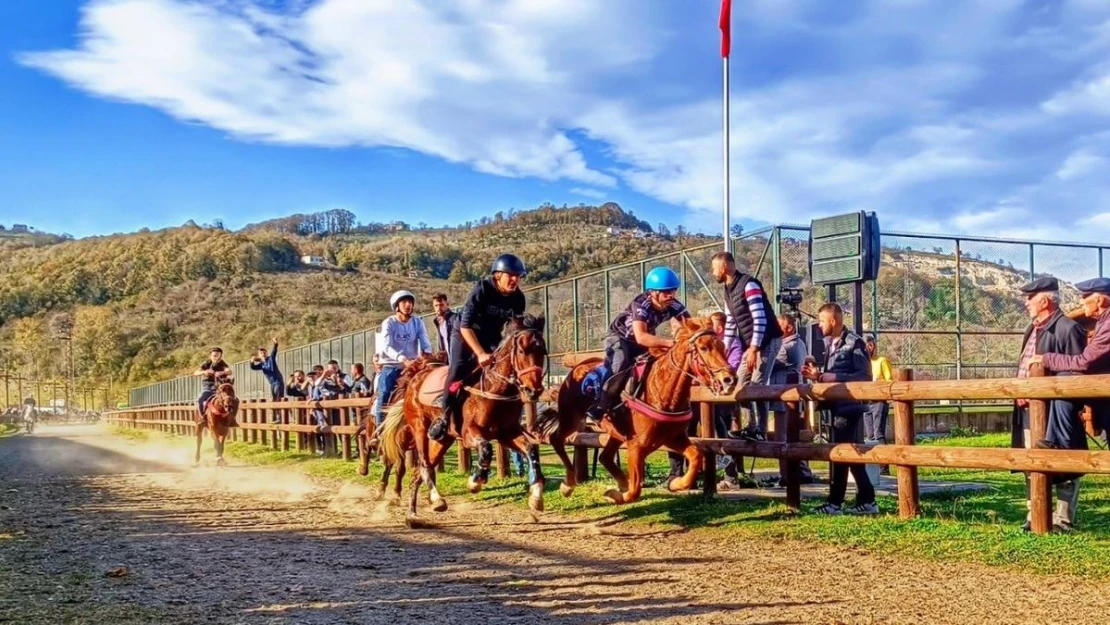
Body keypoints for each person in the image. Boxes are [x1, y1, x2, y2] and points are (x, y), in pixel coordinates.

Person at [1028, 277, 1105, 532]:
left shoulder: (1072, 328)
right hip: (1039, 406)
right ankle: (1037, 516)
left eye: (1086, 297)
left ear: (1101, 299)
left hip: (1065, 407)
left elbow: (1082, 363)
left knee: (1065, 381)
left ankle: (1063, 518)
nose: (1082, 302)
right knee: (1033, 460)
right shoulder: (1034, 328)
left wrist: (1047, 360)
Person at [429, 254, 527, 441]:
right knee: (457, 369)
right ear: (498, 275)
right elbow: (466, 326)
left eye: (518, 276)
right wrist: (480, 353)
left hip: (492, 336)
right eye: (511, 275)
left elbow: (515, 331)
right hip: (465, 333)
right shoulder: (482, 289)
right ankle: (444, 417)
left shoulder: (518, 299)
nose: (515, 280)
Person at [584, 266, 690, 428]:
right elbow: (641, 337)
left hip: (642, 341)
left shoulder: (674, 306)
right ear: (653, 292)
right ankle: (600, 406)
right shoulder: (641, 304)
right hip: (620, 338)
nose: (671, 296)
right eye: (666, 292)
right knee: (621, 362)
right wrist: (670, 343)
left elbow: (691, 326)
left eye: (673, 291)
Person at [803, 303, 877, 515]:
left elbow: (864, 377)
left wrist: (830, 377)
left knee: (841, 455)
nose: (819, 325)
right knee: (850, 456)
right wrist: (817, 376)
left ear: (833, 321)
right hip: (834, 407)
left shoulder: (855, 342)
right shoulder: (830, 343)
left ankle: (835, 503)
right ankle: (868, 500)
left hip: (850, 407)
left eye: (822, 321)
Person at [710, 252, 783, 440]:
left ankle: (761, 429)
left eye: (714, 268)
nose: (713, 273)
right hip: (751, 343)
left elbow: (760, 318)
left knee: (758, 383)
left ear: (724, 267)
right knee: (741, 384)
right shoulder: (728, 290)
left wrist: (753, 348)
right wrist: (724, 350)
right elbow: (732, 323)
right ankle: (751, 425)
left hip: (768, 340)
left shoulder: (749, 285)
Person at [373, 290, 433, 427]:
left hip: (412, 365)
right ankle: (379, 428)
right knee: (385, 392)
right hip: (391, 365)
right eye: (404, 302)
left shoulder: (418, 322)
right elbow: (385, 347)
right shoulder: (388, 323)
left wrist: (427, 353)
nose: (408, 305)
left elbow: (425, 341)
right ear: (396, 306)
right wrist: (402, 358)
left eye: (410, 302)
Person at [193, 347, 234, 423]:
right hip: (208, 387)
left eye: (219, 355)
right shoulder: (206, 363)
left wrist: (222, 373)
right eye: (215, 355)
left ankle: (232, 419)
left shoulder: (222, 363)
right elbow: (195, 373)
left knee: (235, 399)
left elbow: (229, 371)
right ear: (210, 356)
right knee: (200, 399)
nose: (217, 357)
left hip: (221, 388)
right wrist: (204, 372)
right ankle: (202, 418)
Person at [864, 335, 893, 443]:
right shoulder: (863, 363)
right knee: (870, 435)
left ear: (873, 346)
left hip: (879, 402)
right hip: (866, 401)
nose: (868, 349)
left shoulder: (882, 361)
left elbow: (890, 381)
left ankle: (883, 459)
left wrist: (878, 384)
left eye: (869, 346)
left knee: (878, 434)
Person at [250, 337, 284, 423]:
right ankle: (278, 416)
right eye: (261, 353)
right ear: (259, 355)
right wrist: (252, 361)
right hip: (272, 384)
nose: (263, 354)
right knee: (274, 399)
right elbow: (253, 367)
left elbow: (274, 352)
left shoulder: (270, 359)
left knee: (278, 398)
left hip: (278, 382)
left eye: (264, 352)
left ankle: (280, 417)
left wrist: (275, 343)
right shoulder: (261, 364)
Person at [432, 293, 460, 357]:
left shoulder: (455, 319)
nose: (439, 308)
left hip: (458, 360)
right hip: (448, 361)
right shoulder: (437, 322)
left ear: (447, 304)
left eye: (441, 305)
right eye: (436, 305)